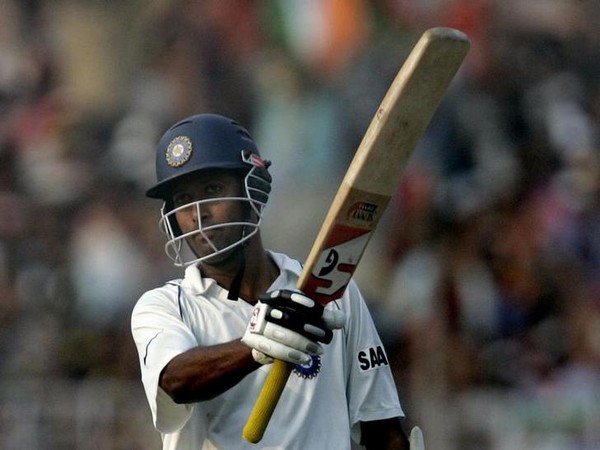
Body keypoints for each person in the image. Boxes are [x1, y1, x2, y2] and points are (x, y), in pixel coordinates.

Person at [131, 113, 410, 449]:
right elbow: (175, 380)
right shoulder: (164, 307)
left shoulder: (333, 291)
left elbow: (382, 430)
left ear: (255, 188)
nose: (198, 212)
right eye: (182, 200)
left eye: (212, 189)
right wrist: (257, 346)